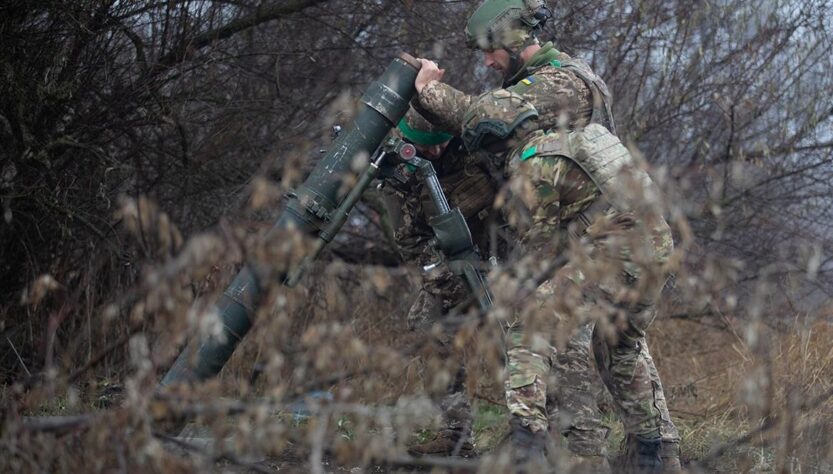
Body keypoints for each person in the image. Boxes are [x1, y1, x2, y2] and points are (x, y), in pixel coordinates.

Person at [409, 0, 681, 471]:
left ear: (514, 38)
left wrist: (425, 91)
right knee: (616, 349)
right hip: (625, 240)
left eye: (491, 51)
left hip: (601, 242)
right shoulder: (553, 85)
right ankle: (654, 455)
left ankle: (566, 454)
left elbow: (483, 119)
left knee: (548, 330)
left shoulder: (562, 83)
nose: (488, 63)